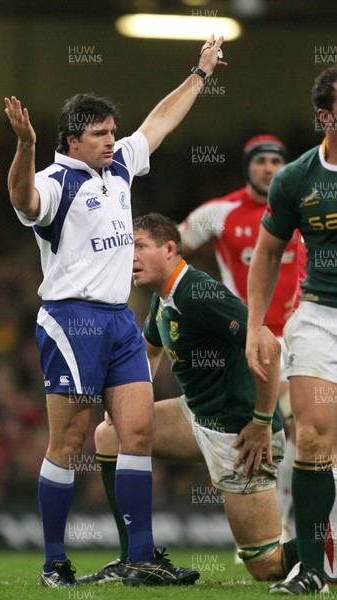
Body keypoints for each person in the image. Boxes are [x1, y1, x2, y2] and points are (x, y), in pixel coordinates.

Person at [4, 36, 226, 587]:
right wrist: (25, 146)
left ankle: (141, 557)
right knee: (70, 441)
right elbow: (20, 200)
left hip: (120, 319)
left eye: (111, 131)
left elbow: (159, 123)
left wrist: (199, 75)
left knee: (139, 432)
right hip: (71, 319)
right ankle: (55, 562)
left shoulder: (118, 166)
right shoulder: (56, 183)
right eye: (99, 134)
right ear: (71, 140)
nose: (111, 140)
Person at [78, 212, 301, 585]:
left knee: (267, 566)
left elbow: (267, 348)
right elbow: (149, 351)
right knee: (110, 434)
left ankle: (327, 551)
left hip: (239, 431)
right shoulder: (164, 297)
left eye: (139, 247)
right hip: (196, 415)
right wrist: (131, 403)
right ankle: (135, 558)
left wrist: (262, 423)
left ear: (169, 249)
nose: (130, 256)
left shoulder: (199, 293)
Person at [179, 135, 300, 543]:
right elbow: (171, 251)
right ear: (247, 166)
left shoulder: (302, 206)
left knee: (307, 433)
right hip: (250, 340)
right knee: (281, 430)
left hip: (305, 334)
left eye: (275, 161)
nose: (268, 168)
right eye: (260, 161)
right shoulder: (220, 212)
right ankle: (280, 530)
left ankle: (293, 530)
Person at [246, 65, 337, 595]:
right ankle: (312, 571)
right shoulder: (296, 178)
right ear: (325, 114)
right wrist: (257, 325)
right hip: (319, 316)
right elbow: (267, 255)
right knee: (312, 436)